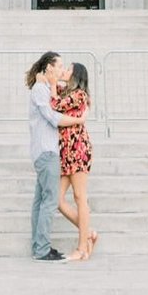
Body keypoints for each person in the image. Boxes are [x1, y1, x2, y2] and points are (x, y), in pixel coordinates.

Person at [25, 51, 82, 261]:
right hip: (47, 151)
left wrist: (52, 83)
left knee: (40, 201)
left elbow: (63, 92)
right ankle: (42, 249)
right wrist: (78, 120)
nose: (61, 69)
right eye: (59, 66)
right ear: (49, 67)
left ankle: (39, 247)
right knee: (49, 201)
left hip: (45, 151)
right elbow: (52, 117)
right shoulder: (40, 89)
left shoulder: (44, 87)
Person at [53, 61, 98, 262]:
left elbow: (55, 106)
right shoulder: (65, 91)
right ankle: (88, 233)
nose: (65, 71)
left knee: (80, 197)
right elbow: (53, 95)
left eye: (69, 69)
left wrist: (54, 81)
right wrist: (54, 78)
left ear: (76, 75)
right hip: (66, 151)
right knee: (57, 199)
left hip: (78, 148)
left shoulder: (79, 94)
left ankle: (81, 248)